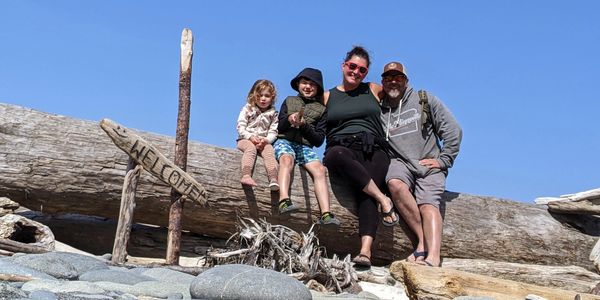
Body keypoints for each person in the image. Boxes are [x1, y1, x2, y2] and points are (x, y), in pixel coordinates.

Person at [323, 46, 400, 268]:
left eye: (362, 70)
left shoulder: (374, 89)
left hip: (373, 149)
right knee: (335, 155)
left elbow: (400, 94)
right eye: (352, 66)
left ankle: (365, 252)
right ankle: (383, 199)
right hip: (341, 148)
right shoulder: (328, 96)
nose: (356, 72)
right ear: (343, 65)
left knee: (365, 193)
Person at [379, 61, 462, 267]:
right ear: (382, 82)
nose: (393, 82)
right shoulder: (379, 108)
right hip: (401, 162)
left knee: (428, 203)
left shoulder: (424, 99)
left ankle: (433, 257)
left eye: (398, 77)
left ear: (406, 81)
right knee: (395, 184)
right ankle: (422, 242)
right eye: (388, 78)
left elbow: (453, 130)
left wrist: (444, 160)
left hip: (428, 162)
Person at [273, 68, 340, 225]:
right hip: (285, 140)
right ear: (298, 84)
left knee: (320, 170)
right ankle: (283, 199)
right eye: (304, 83)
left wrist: (304, 126)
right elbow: (278, 127)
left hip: (305, 147)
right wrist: (289, 119)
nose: (308, 87)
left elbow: (318, 140)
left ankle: (326, 213)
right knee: (287, 160)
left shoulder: (322, 110)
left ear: (318, 89)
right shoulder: (289, 100)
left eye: (312, 84)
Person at [236, 79, 280, 190]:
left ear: (272, 98)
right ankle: (246, 175)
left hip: (262, 140)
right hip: (245, 139)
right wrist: (249, 137)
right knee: (251, 149)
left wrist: (267, 140)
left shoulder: (273, 114)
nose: (263, 99)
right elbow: (240, 126)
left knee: (270, 152)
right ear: (253, 96)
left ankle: (273, 178)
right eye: (259, 95)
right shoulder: (248, 108)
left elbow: (273, 131)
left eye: (267, 96)